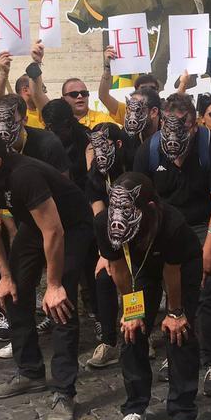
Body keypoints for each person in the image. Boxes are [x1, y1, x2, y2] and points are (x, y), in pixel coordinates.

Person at [0, 128, 94, 420]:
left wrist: (54, 284)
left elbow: (55, 231)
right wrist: (5, 276)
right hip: (35, 228)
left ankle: (64, 392)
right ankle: (30, 372)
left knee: (61, 304)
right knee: (12, 293)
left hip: (71, 227)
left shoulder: (24, 175)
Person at [133, 93, 211, 397]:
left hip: (207, 225)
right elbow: (141, 204)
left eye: (183, 130)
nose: (175, 139)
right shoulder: (148, 151)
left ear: (194, 126)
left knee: (210, 291)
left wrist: (208, 252)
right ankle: (176, 353)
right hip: (164, 229)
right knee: (172, 295)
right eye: (168, 129)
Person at [96, 173, 201, 420]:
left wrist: (175, 312)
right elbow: (117, 266)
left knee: (180, 332)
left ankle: (183, 413)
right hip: (140, 268)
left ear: (149, 208)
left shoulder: (172, 223)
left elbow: (172, 271)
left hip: (180, 265)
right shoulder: (104, 223)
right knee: (132, 331)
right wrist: (131, 310)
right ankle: (135, 409)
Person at [82, 123, 131, 368]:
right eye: (95, 146)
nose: (100, 152)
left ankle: (136, 335)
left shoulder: (133, 167)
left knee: (135, 281)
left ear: (118, 145)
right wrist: (106, 254)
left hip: (139, 236)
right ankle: (109, 341)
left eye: (105, 145)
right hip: (110, 236)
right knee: (103, 276)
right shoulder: (94, 177)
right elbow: (100, 217)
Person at [0, 94, 70, 174]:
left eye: (9, 121)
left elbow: (63, 183)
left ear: (25, 120)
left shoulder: (48, 143)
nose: (2, 129)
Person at [98, 45, 162, 124]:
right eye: (143, 89)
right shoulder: (127, 112)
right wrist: (108, 68)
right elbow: (103, 96)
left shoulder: (167, 112)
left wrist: (182, 83)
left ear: (158, 92)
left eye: (152, 89)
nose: (147, 92)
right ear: (136, 92)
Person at [0, 45, 48, 129]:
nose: (45, 92)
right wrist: (3, 73)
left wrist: (36, 62)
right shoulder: (14, 112)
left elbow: (37, 94)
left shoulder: (42, 113)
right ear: (26, 90)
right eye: (42, 88)